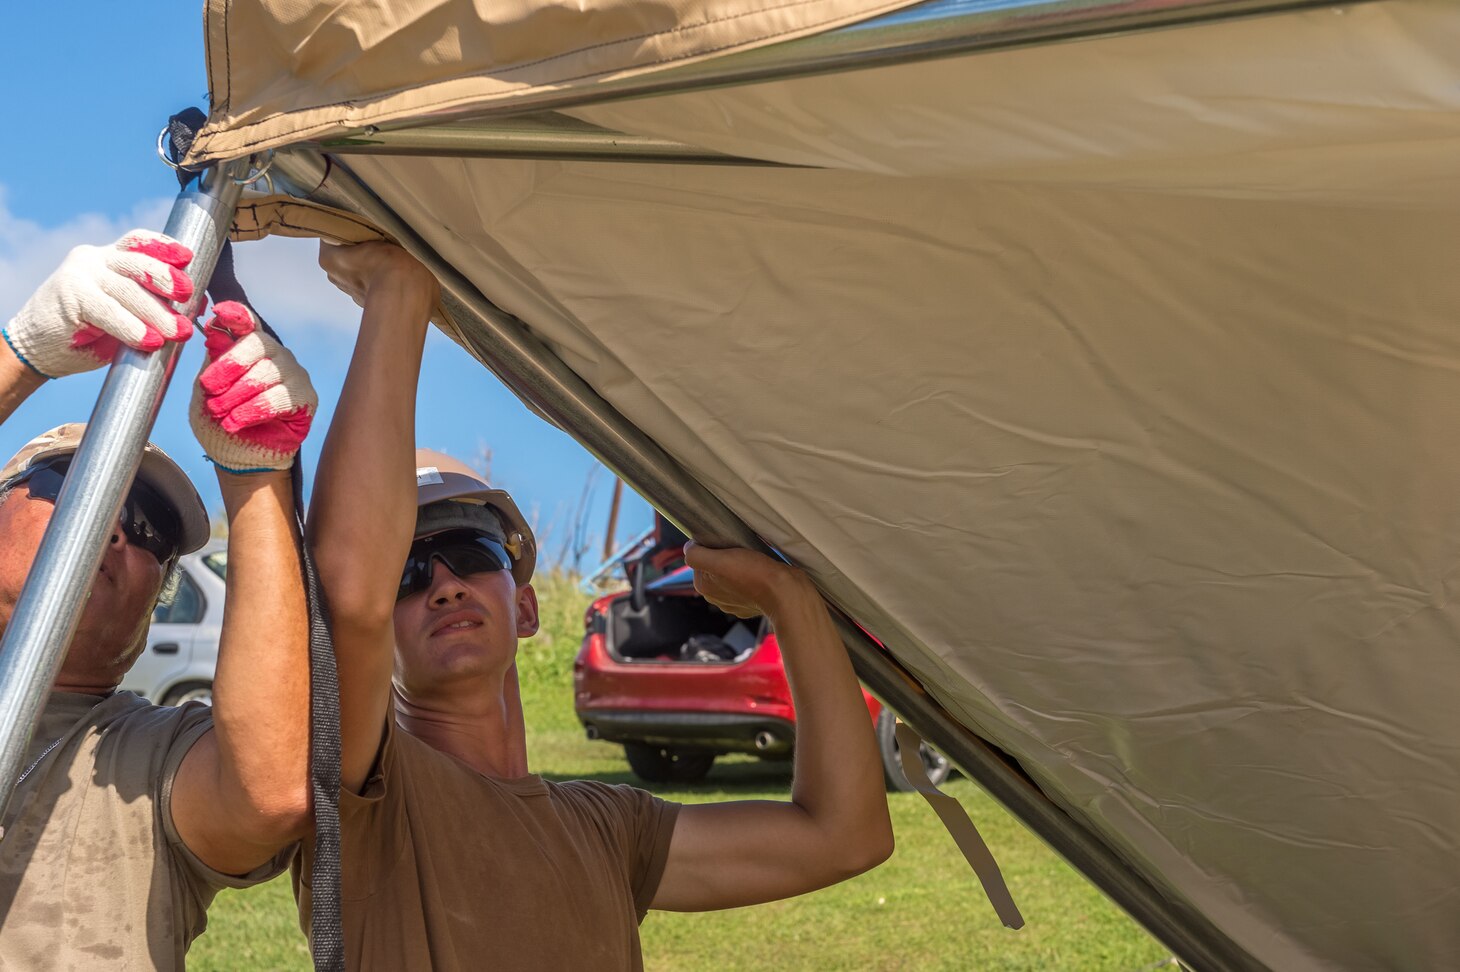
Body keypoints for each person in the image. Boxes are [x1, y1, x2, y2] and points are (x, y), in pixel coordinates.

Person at [298, 241, 895, 970]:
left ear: (524, 608)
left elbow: (846, 835)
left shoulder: (608, 830)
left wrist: (788, 597)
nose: (445, 583)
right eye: (408, 572)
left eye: (475, 555)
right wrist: (399, 291)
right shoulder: (367, 800)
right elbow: (346, 592)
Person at [0, 230, 319, 968]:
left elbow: (268, 793)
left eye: (146, 529)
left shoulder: (145, 758)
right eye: (70, 487)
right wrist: (23, 355)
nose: (106, 528)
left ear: (149, 620)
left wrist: (255, 475)